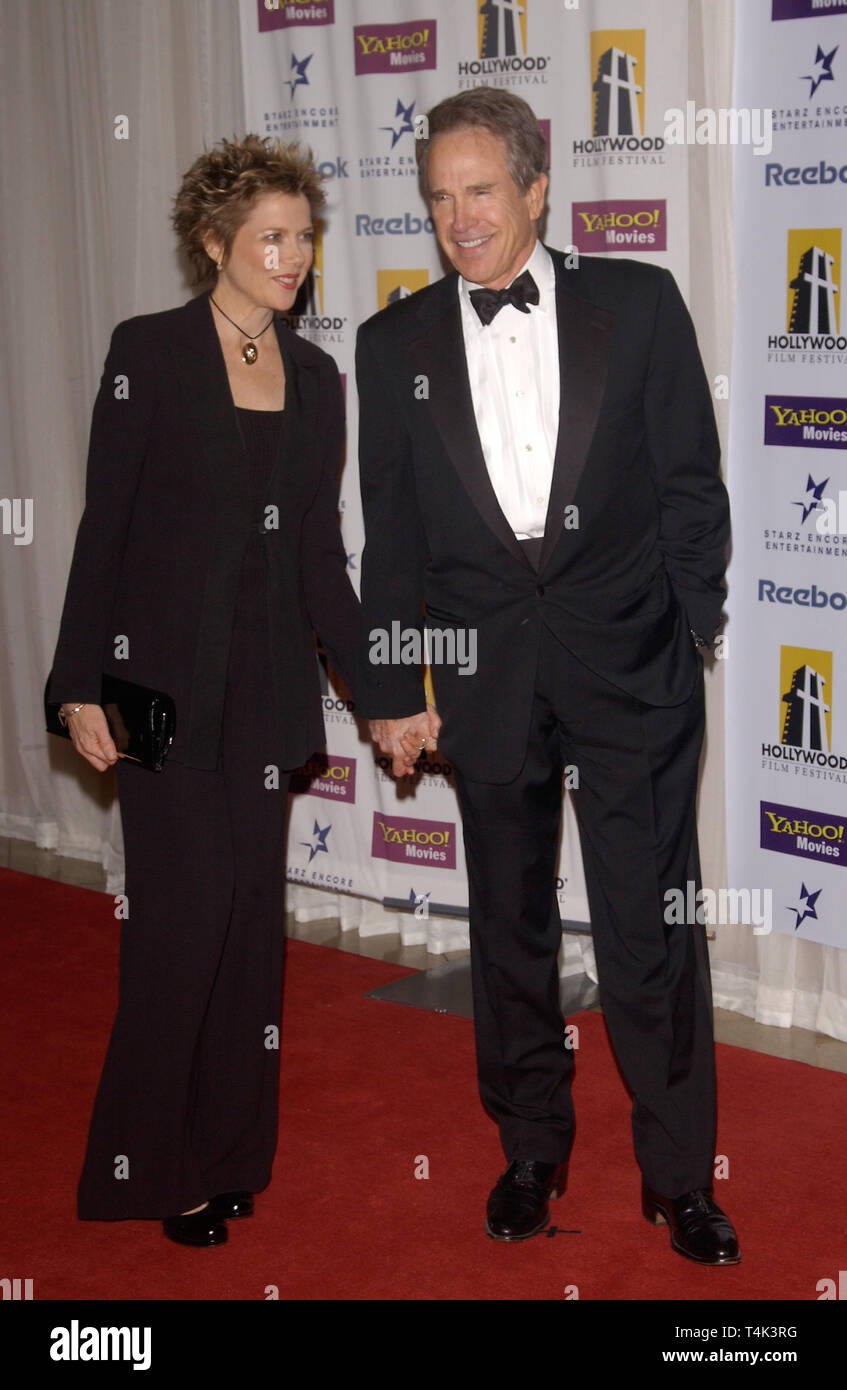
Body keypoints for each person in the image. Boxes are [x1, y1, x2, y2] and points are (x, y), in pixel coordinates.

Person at [356, 88, 737, 1265]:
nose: (459, 219)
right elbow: (395, 537)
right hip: (485, 685)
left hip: (631, 677)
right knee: (509, 930)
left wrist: (691, 635)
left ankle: (680, 1178)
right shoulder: (392, 344)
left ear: (534, 186)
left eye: (480, 191)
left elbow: (690, 483)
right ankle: (530, 1151)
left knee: (649, 932)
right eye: (438, 199)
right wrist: (387, 688)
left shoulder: (636, 302)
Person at [48, 135, 359, 1247]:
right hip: (160, 693)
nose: (292, 256)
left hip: (267, 701)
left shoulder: (318, 378)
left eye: (304, 236)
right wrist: (76, 682)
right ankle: (146, 1163)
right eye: (270, 236)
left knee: (250, 935)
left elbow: (321, 556)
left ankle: (230, 1155)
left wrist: (378, 690)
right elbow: (107, 529)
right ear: (213, 242)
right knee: (182, 929)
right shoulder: (150, 352)